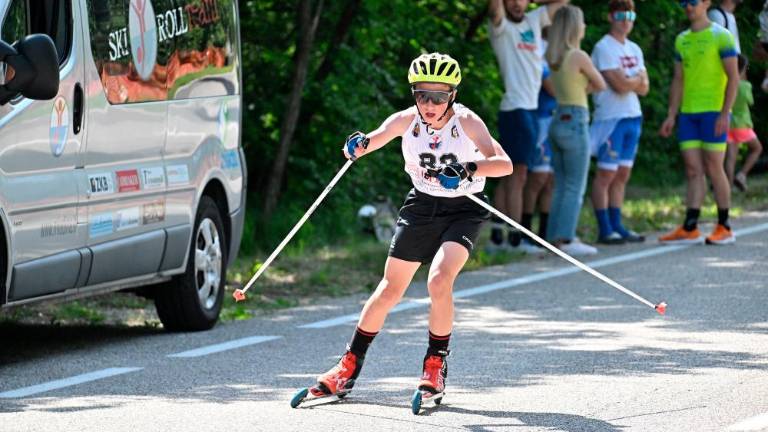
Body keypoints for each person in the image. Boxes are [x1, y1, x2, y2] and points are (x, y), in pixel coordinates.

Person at [307, 53, 513, 401]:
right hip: (421, 207)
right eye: (421, 95)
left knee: (438, 279)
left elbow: (504, 164)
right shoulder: (406, 120)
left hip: (464, 208)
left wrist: (468, 169)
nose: (429, 104)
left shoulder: (467, 122)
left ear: (453, 95)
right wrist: (355, 146)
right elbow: (370, 141)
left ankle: (435, 365)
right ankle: (348, 366)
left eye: (438, 96)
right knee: (390, 288)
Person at [487, 0, 569, 252]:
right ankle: (516, 238)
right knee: (518, 175)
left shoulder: (534, 20)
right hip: (515, 109)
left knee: (508, 174)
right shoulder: (501, 27)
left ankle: (496, 237)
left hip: (530, 110)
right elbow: (495, 9)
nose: (516, 3)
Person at [659, 0, 739, 245]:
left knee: (715, 167)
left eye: (693, 2)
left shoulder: (722, 36)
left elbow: (733, 77)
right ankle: (690, 226)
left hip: (713, 112)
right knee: (693, 169)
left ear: (706, 3)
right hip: (688, 114)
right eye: (683, 2)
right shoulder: (681, 39)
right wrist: (672, 114)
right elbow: (678, 80)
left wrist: (725, 113)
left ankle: (724, 225)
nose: (688, 6)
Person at [545, 5, 607, 256]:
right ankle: (567, 238)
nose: (584, 27)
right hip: (576, 119)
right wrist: (584, 90)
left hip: (558, 118)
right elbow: (600, 84)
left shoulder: (553, 57)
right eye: (581, 23)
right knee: (575, 185)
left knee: (561, 184)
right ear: (574, 27)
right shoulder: (578, 56)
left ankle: (554, 239)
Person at [589, 0, 649, 245]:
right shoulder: (604, 47)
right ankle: (604, 228)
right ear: (610, 17)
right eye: (621, 15)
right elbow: (620, 85)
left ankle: (617, 225)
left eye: (630, 15)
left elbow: (644, 88)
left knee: (623, 174)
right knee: (606, 174)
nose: (626, 20)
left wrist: (630, 81)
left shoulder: (634, 48)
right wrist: (633, 80)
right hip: (610, 118)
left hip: (633, 116)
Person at [521, 37, 556, 252]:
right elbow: (552, 87)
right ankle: (525, 231)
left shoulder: (561, 46)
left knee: (551, 180)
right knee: (537, 179)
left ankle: (544, 234)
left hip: (558, 118)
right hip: (541, 118)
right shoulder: (538, 46)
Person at [725, 54, 762, 192]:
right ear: (743, 69)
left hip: (729, 123)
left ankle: (726, 186)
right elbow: (750, 102)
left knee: (730, 158)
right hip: (743, 124)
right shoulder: (745, 86)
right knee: (757, 149)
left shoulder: (726, 84)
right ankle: (742, 174)